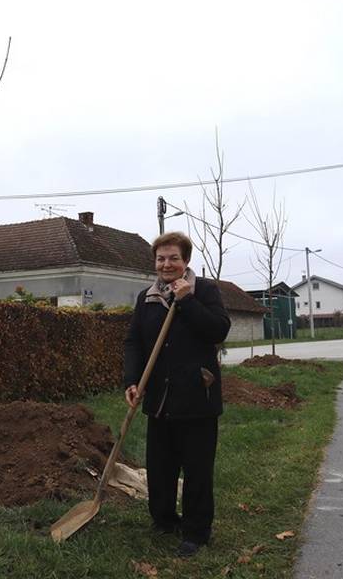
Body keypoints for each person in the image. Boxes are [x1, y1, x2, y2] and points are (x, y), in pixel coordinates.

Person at [124, 231, 231, 557]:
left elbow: (218, 329)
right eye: (161, 258)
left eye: (173, 258)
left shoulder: (205, 291)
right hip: (159, 396)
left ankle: (196, 531)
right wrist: (132, 380)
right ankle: (164, 519)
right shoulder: (147, 298)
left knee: (197, 468)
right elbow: (134, 342)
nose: (166, 264)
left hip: (197, 394)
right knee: (160, 466)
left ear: (185, 261)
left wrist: (187, 300)